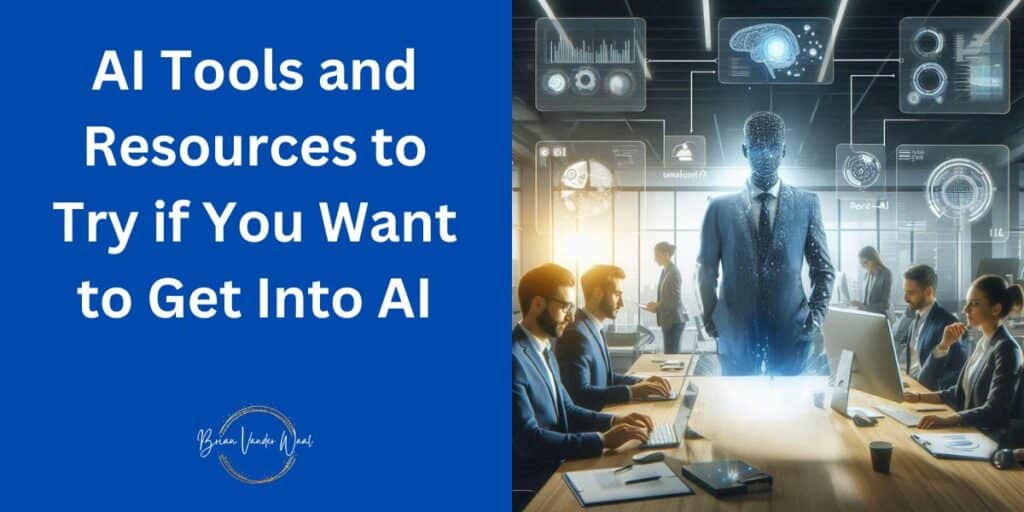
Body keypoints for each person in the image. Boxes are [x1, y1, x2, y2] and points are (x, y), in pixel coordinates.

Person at [697, 111, 835, 376]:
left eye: (773, 147)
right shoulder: (718, 207)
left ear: (784, 151)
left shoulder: (806, 204)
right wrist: (711, 315)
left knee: (792, 412)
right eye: (758, 147)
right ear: (744, 150)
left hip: (791, 331)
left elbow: (823, 269)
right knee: (736, 413)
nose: (766, 154)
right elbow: (706, 270)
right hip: (735, 332)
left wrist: (816, 317)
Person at [512, 264, 654, 510]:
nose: (570, 316)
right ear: (537, 304)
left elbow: (568, 408)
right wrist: (601, 441)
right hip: (536, 487)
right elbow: (529, 440)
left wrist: (614, 421)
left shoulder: (543, 349)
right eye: (564, 306)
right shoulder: (512, 358)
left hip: (562, 467)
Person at [904, 275, 1024, 433]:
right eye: (967, 303)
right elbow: (958, 392)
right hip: (969, 431)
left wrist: (948, 420)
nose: (965, 310)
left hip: (988, 438)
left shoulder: (1007, 349)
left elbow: (996, 410)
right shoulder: (983, 343)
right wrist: (918, 397)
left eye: (974, 304)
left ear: (996, 309)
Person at [558, 265, 672, 410]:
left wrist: (641, 383)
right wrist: (632, 392)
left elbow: (607, 378)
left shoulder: (593, 328)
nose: (621, 303)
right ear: (598, 293)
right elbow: (579, 395)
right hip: (595, 424)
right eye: (617, 295)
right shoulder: (575, 335)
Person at [899, 264, 966, 391]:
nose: (905, 298)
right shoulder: (914, 319)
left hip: (929, 394)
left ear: (928, 291)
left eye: (910, 293)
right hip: (911, 388)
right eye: (905, 292)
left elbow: (957, 372)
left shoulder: (948, 323)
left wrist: (928, 393)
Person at [644, 242, 688, 354]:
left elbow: (674, 301)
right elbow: (667, 298)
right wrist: (655, 305)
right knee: (670, 355)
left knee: (671, 356)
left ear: (666, 254)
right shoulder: (665, 271)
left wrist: (656, 306)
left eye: (657, 255)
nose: (655, 259)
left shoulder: (673, 273)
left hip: (674, 320)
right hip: (669, 320)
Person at [850, 246, 891, 317]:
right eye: (861, 263)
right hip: (868, 315)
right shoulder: (867, 275)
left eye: (865, 262)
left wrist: (864, 307)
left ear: (874, 259)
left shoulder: (885, 274)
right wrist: (859, 304)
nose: (863, 266)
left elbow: (885, 305)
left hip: (879, 317)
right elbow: (866, 301)